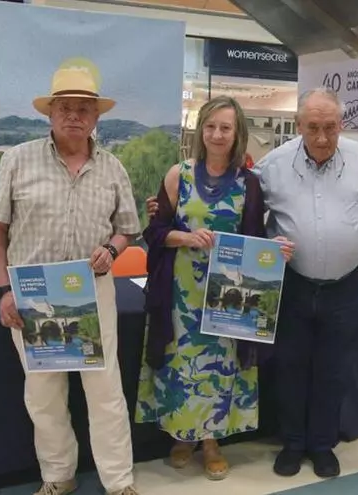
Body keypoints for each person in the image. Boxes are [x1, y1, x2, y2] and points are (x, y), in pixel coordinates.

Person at [0, 68, 140, 495]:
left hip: (92, 290)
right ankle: (58, 477)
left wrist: (112, 250)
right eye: (65, 108)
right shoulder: (17, 160)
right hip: (32, 293)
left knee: (105, 392)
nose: (74, 115)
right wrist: (2, 291)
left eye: (83, 109)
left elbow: (127, 229)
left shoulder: (112, 168)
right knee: (44, 394)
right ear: (50, 113)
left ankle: (119, 482)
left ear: (96, 117)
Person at [136, 95, 293, 481]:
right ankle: (182, 437)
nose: (217, 134)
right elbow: (154, 233)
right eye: (210, 126)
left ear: (237, 133)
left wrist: (273, 251)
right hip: (180, 293)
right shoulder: (178, 175)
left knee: (220, 369)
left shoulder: (249, 183)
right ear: (200, 130)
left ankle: (211, 442)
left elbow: (254, 239)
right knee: (181, 365)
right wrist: (186, 238)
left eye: (225, 127)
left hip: (227, 296)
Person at [255, 87, 358, 479]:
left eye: (330, 127)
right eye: (313, 127)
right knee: (290, 367)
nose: (323, 137)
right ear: (298, 126)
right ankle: (293, 443)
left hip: (346, 286)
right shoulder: (273, 164)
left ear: (342, 124)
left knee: (335, 369)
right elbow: (242, 213)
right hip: (293, 285)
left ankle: (322, 444)